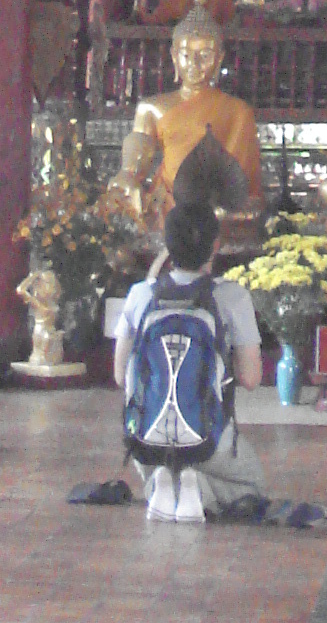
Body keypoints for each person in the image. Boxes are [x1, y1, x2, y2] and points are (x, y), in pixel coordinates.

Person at [113, 198, 267, 524]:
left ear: (166, 247)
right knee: (252, 485)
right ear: (216, 246)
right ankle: (198, 490)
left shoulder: (141, 294)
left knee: (160, 465)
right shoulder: (232, 297)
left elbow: (119, 375)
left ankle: (162, 485)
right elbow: (251, 378)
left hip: (147, 439)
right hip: (208, 441)